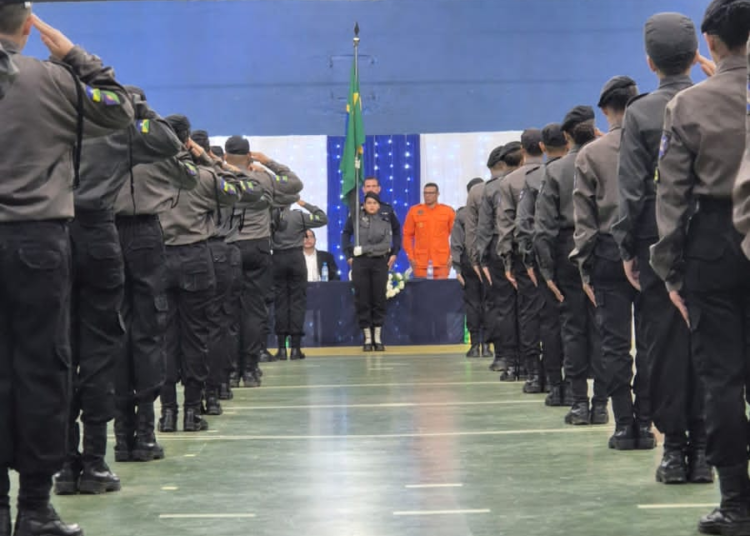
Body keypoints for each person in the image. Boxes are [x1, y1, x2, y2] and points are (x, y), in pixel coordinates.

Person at [0, 5, 134, 535]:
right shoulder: (54, 80)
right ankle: (34, 507)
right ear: (30, 27)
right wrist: (76, 56)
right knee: (42, 369)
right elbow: (121, 110)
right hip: (37, 242)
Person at [54, 87, 183, 497]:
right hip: (98, 233)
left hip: (50, 233)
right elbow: (168, 140)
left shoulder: (51, 121)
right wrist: (137, 105)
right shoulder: (117, 132)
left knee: (56, 351)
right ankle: (94, 462)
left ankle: (63, 464)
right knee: (100, 350)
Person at [650, 2, 749, 533]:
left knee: (722, 380)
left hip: (715, 244)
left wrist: (670, 270)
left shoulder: (689, 105)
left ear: (709, 43)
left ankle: (736, 503)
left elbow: (673, 197)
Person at [613, 12, 711, 483]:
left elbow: (631, 188)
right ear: (696, 56)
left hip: (659, 245)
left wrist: (628, 249)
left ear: (651, 64)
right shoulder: (718, 101)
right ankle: (711, 452)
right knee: (713, 344)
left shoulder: (642, 111)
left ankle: (674, 451)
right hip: (716, 239)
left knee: (664, 346)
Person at [570, 76, 652, 451]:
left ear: (605, 110)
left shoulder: (590, 154)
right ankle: (648, 425)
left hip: (606, 252)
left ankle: (623, 425)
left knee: (614, 344)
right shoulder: (654, 145)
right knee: (651, 342)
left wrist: (585, 267)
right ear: (635, 103)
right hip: (652, 248)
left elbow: (584, 221)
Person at [113, 116, 199, 463]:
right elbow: (190, 179)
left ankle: (121, 438)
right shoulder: (161, 151)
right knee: (148, 334)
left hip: (105, 232)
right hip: (147, 234)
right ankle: (146, 434)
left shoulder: (101, 144)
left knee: (114, 332)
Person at [535, 106, 608, 426]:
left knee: (573, 329)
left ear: (566, 136)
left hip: (567, 251)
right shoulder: (608, 158)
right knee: (607, 329)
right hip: (604, 248)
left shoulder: (555, 171)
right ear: (594, 130)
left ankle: (580, 402)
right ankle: (604, 404)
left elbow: (543, 228)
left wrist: (547, 271)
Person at [223, 136, 303, 375]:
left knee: (229, 309)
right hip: (258, 247)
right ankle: (250, 367)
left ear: (226, 156)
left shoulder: (220, 176)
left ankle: (232, 369)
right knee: (254, 309)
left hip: (229, 245)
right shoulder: (264, 178)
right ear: (249, 156)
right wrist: (268, 162)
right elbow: (294, 184)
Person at [517, 124, 567, 405]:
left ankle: (555, 386)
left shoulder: (535, 178)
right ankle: (583, 395)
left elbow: (524, 225)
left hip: (547, 256)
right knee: (579, 324)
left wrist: (530, 260)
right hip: (581, 255)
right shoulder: (582, 166)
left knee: (549, 322)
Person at [497, 131, 546, 392]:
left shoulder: (510, 182)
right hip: (551, 252)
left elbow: (505, 225)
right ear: (543, 147)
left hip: (522, 254)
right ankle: (554, 374)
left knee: (527, 313)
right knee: (552, 315)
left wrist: (507, 259)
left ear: (523, 151)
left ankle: (532, 371)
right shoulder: (552, 172)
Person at [475, 143, 523, 379]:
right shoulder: (532, 179)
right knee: (528, 307)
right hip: (525, 249)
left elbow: (483, 228)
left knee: (503, 307)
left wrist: (482, 256)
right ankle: (528, 360)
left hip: (497, 249)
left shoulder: (492, 188)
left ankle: (506, 357)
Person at [271, 200, 329, 360]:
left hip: (277, 257)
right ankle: (296, 349)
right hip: (296, 258)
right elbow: (322, 218)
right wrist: (304, 204)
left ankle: (282, 349)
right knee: (297, 302)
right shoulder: (298, 216)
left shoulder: (270, 215)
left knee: (280, 303)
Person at [343, 192, 393, 351]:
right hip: (361, 264)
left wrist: (364, 249)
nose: (371, 205)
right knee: (362, 299)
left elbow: (385, 246)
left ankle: (377, 337)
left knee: (378, 299)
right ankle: (367, 337)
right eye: (368, 203)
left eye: (374, 203)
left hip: (379, 263)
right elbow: (345, 234)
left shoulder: (385, 221)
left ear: (379, 206)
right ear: (363, 205)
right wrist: (349, 252)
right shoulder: (356, 219)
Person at [451, 178, 487, 358]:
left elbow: (456, 243)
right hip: (487, 262)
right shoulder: (491, 211)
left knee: (474, 304)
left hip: (469, 262)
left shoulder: (463, 214)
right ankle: (487, 345)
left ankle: (476, 345)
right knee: (489, 303)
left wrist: (457, 268)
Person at [403, 183, 455, 279]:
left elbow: (457, 236)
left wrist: (453, 256)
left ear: (438, 194)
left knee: (441, 292)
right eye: (425, 193)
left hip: (442, 261)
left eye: (431, 193)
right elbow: (407, 235)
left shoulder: (447, 211)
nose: (427, 196)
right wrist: (411, 256)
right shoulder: (414, 211)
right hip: (421, 262)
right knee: (422, 292)